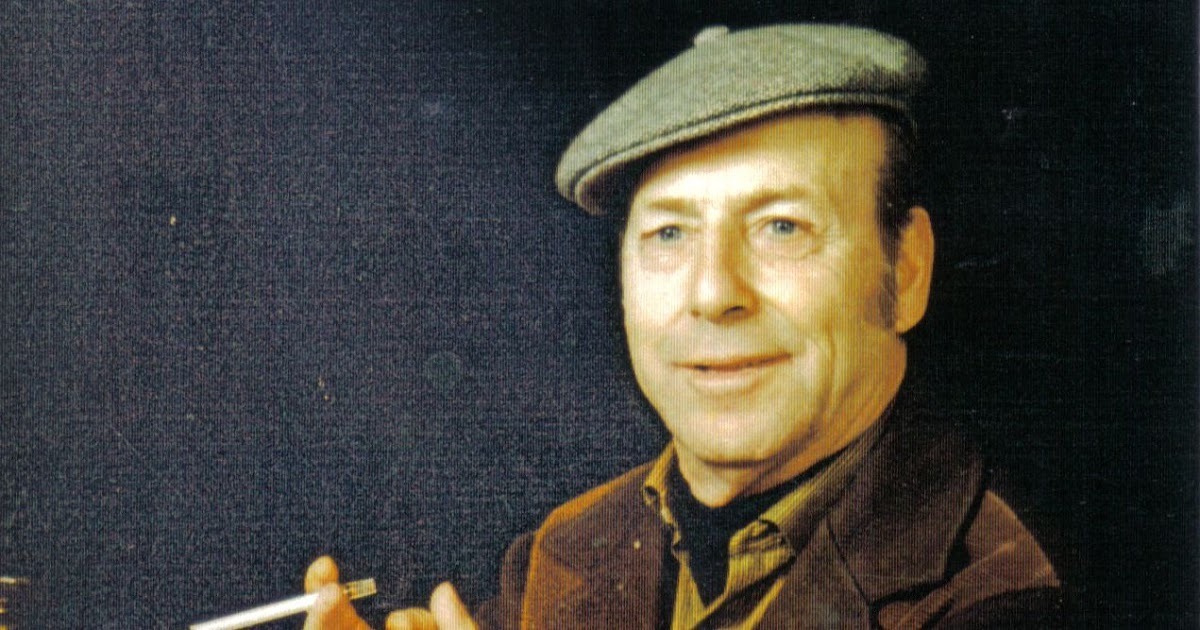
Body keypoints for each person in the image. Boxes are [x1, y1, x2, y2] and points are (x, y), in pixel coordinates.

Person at [303, 23, 1062, 629]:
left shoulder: (1005, 592)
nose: (713, 293)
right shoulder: (561, 551)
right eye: (668, 234)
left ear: (908, 272)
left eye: (782, 227)